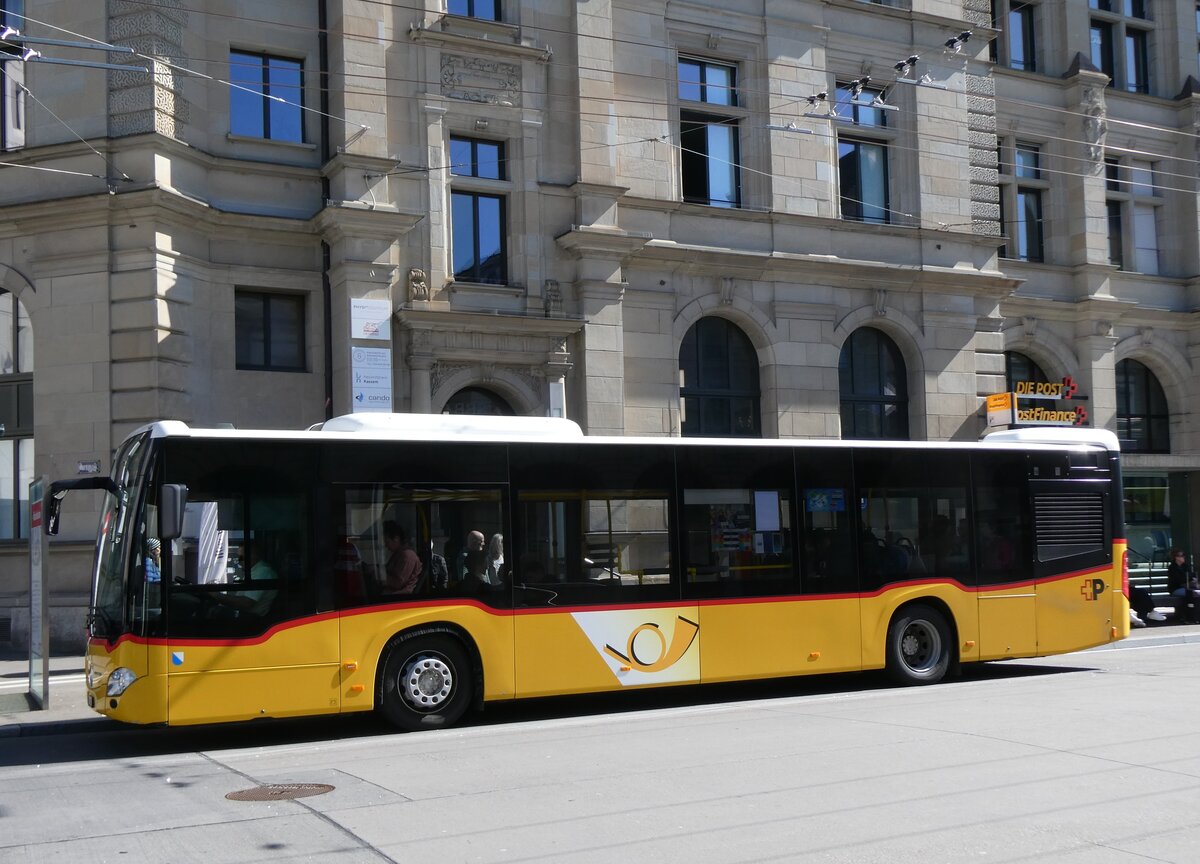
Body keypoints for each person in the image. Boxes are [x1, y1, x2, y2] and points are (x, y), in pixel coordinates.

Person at [383, 521, 422, 594]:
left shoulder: (407, 556)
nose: (386, 546)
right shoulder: (398, 554)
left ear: (396, 539)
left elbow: (398, 582)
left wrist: (381, 577)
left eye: (387, 542)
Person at [1167, 548, 1200, 623]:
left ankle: (1195, 615)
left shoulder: (1185, 566)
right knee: (1190, 594)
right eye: (1181, 556)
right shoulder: (1172, 568)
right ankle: (1188, 616)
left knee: (1196, 593)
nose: (1183, 557)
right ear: (1176, 557)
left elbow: (1190, 576)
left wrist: (1193, 581)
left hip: (1187, 587)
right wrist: (1188, 582)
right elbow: (1177, 580)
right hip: (1176, 589)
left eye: (1183, 556)